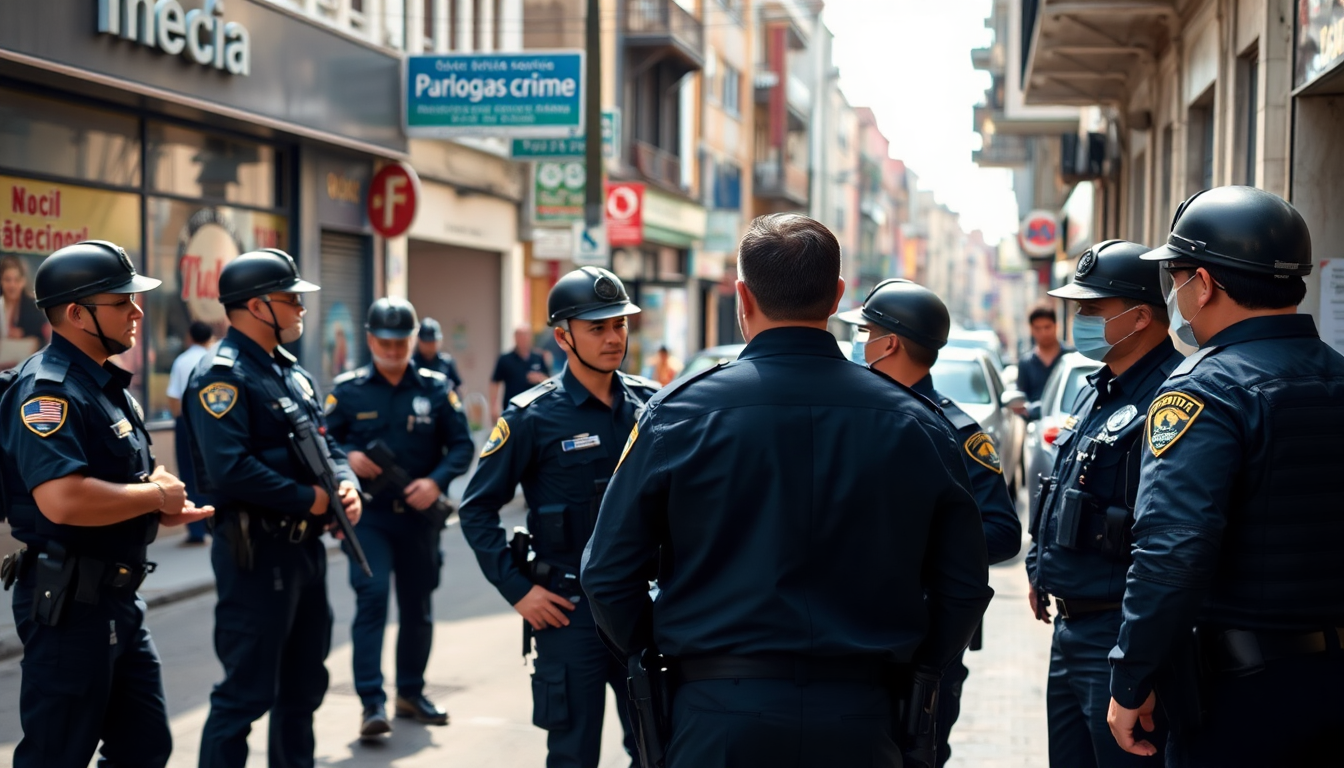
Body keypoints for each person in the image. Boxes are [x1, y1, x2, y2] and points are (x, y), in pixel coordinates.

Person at [582, 214, 994, 768]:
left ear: (742, 297)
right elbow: (965, 585)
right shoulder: (915, 422)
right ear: (838, 296)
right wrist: (920, 668)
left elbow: (608, 573)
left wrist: (653, 654)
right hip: (865, 714)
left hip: (716, 712)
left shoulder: (678, 415)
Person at [1106, 187, 1344, 767]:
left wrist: (1130, 677)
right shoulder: (1337, 376)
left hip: (1241, 694)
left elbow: (1172, 551)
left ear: (1204, 284)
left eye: (1177, 277)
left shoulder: (1204, 389)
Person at [0, 240, 213, 768]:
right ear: (76, 313)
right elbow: (63, 499)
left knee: (144, 747)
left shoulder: (106, 385)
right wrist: (156, 494)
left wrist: (158, 499)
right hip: (71, 603)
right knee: (58, 755)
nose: (137, 311)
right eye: (121, 301)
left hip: (118, 597)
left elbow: (126, 474)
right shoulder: (47, 391)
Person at [458, 266, 657, 768]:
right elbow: (477, 507)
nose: (614, 338)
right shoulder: (531, 417)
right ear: (563, 337)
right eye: (598, 328)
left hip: (644, 609)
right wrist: (518, 590)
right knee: (572, 755)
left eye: (620, 325)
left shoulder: (652, 406)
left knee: (658, 748)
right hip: (570, 614)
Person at [185, 248, 363, 768]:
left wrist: (346, 484)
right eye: (291, 300)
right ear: (259, 306)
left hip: (303, 553)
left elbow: (327, 445)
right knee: (245, 694)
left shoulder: (291, 372)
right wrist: (311, 498)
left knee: (304, 686)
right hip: (255, 553)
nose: (301, 309)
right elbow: (229, 469)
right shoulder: (221, 376)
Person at [839, 278, 1022, 767]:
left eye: (865, 332)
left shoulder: (956, 431)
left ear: (889, 343)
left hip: (925, 641)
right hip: (853, 636)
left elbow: (1004, 533)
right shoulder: (853, 416)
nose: (860, 344)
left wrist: (914, 546)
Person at [1021, 239, 1182, 767]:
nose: (1080, 321)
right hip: (1069, 628)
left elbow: (1167, 539)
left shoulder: (1171, 395)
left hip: (1116, 636)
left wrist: (1136, 663)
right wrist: (1038, 568)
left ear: (1139, 318)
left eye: (1092, 309)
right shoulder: (1097, 388)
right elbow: (1069, 486)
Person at [326, 298, 475, 739]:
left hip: (419, 518)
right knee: (371, 601)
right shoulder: (348, 390)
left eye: (401, 342)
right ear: (371, 339)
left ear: (414, 341)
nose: (392, 349)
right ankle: (372, 702)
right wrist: (348, 458)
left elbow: (463, 446)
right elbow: (319, 441)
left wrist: (436, 481)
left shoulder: (436, 388)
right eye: (385, 341)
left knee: (418, 608)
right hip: (368, 518)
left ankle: (410, 693)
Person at [167, 320, 215, 544]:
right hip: (211, 422)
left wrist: (181, 418)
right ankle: (213, 522)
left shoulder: (182, 360)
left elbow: (174, 398)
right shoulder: (213, 358)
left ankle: (196, 530)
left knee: (189, 472)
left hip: (186, 421)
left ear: (190, 337)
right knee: (211, 471)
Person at [1014, 305, 1072, 419]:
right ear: (1031, 329)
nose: (1043, 333)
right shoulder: (1025, 363)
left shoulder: (1072, 357)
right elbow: (1021, 399)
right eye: (1038, 328)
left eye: (1047, 327)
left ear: (1056, 326)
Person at [490, 325, 550, 421]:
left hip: (535, 409)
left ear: (530, 337)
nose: (523, 339)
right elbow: (495, 383)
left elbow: (550, 382)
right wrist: (493, 406)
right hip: (512, 409)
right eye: (520, 336)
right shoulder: (505, 359)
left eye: (526, 335)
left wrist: (540, 378)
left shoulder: (538, 357)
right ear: (515, 338)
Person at [1, 255, 48, 367]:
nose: (12, 285)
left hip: (24, 368)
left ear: (23, 282)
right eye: (7, 280)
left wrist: (24, 335)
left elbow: (42, 341)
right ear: (1, 281)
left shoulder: (33, 307)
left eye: (16, 280)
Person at [413, 316, 463, 393]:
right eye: (426, 341)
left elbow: (458, 386)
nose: (429, 345)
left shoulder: (446, 362)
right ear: (419, 341)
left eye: (432, 341)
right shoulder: (412, 363)